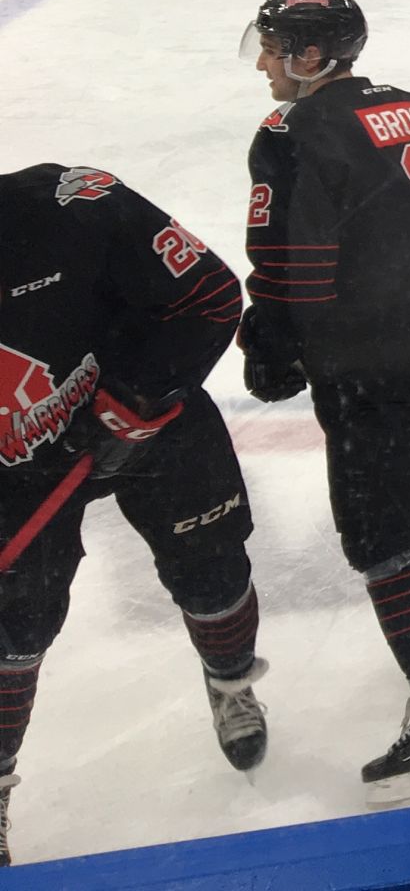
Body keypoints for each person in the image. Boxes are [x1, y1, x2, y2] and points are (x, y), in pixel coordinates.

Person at [238, 0, 410, 801]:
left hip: (368, 348)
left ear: (312, 56)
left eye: (274, 45)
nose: (262, 61)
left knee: (374, 522)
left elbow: (289, 259)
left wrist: (273, 343)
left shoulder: (291, 130)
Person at [0, 163, 269, 858]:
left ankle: (231, 678)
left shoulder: (71, 203)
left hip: (150, 415)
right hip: (21, 468)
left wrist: (136, 400)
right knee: (12, 633)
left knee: (212, 572)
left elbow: (210, 295)